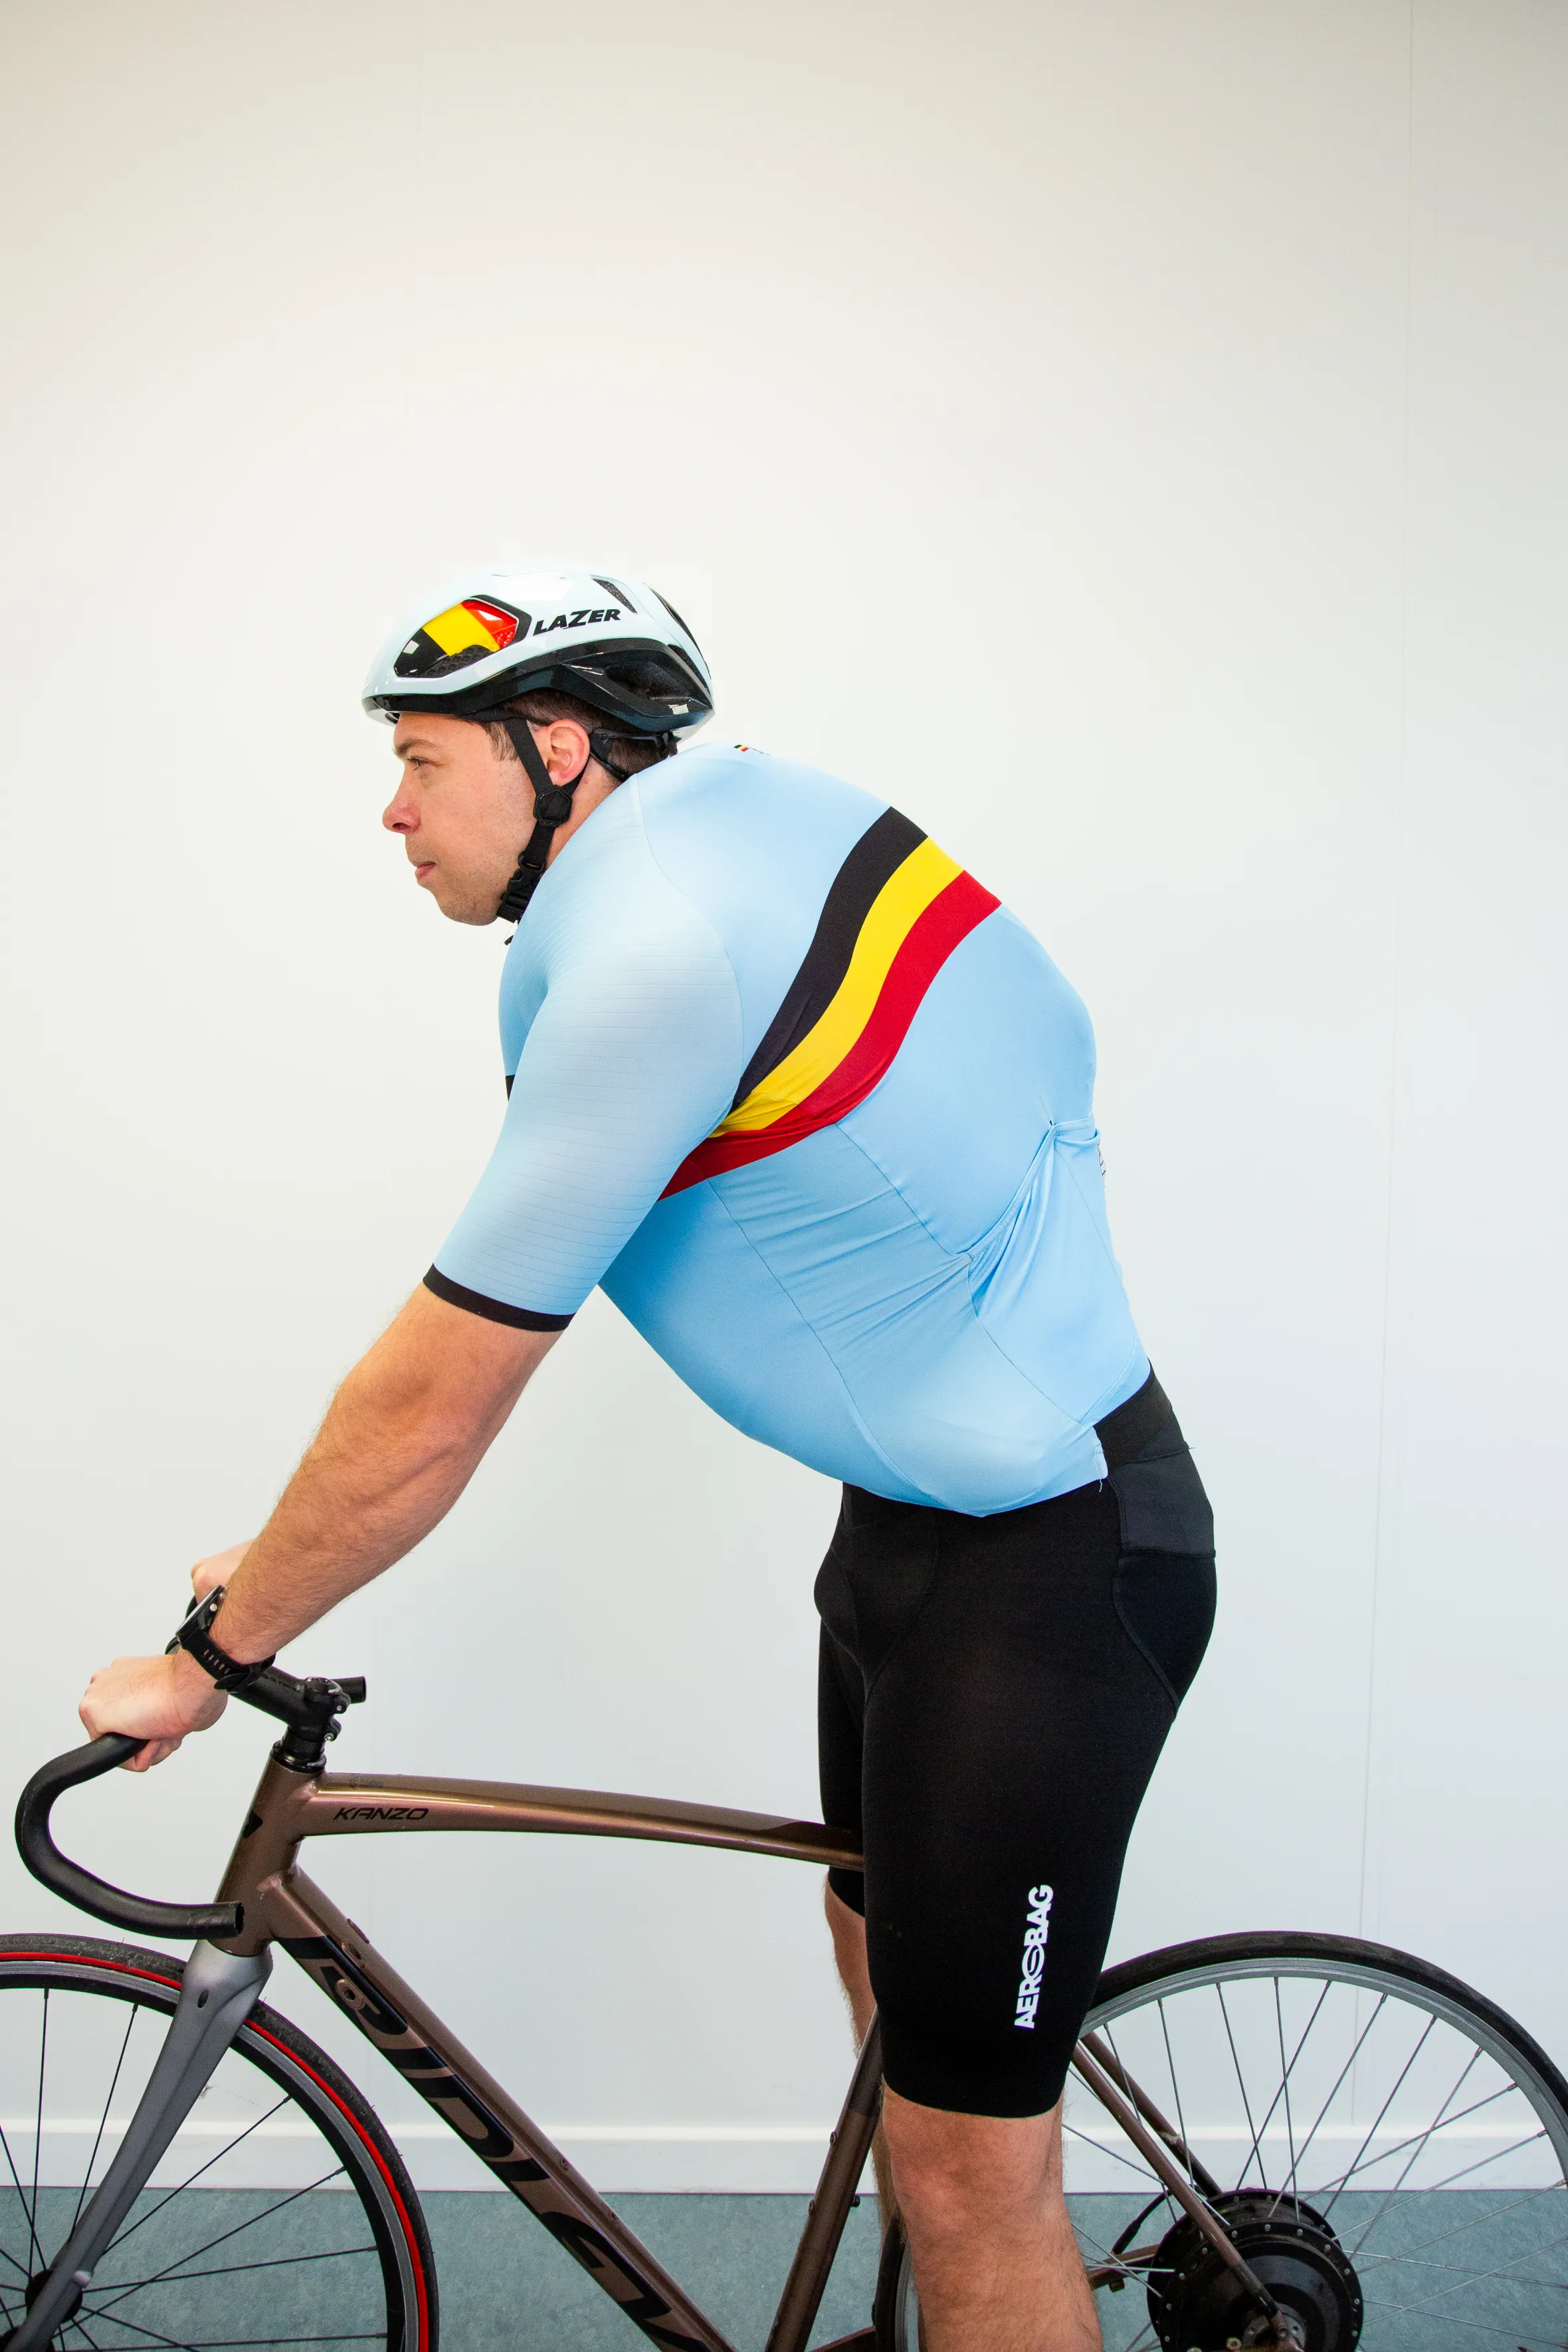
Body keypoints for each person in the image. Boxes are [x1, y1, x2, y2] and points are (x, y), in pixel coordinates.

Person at [81, 561, 1217, 2352]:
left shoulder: (654, 941)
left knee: (970, 2171)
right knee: (879, 1989)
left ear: (555, 747)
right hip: (918, 1535)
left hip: (1055, 1567)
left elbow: (437, 1395)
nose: (392, 806)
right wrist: (271, 1563)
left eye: (421, 757)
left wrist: (209, 1657)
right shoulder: (723, 845)